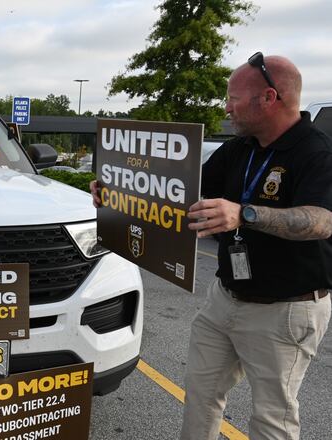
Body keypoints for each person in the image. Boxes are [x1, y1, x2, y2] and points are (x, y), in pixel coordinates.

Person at [91, 53, 332, 439]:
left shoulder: (316, 151)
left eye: (233, 98)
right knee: (201, 395)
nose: (226, 108)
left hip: (286, 308)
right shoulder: (241, 148)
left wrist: (244, 214)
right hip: (225, 297)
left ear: (269, 98)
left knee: (273, 416)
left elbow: (321, 222)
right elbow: (180, 190)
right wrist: (117, 193)